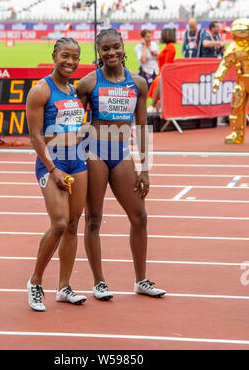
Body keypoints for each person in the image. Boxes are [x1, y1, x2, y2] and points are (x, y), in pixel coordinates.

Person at [76, 28, 166, 301]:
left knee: (140, 217)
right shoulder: (88, 84)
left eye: (116, 47)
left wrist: (145, 169)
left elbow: (141, 127)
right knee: (93, 220)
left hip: (121, 152)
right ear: (98, 52)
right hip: (94, 153)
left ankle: (141, 280)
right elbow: (72, 123)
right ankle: (99, 282)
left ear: (123, 48)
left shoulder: (137, 83)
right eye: (105, 49)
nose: (111, 52)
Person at [25, 37, 88, 311]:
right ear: (54, 56)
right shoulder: (41, 90)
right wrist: (53, 168)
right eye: (65, 56)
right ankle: (35, 282)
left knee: (74, 224)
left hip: (77, 161)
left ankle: (64, 288)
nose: (70, 62)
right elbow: (36, 137)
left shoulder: (72, 91)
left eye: (75, 57)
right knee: (60, 223)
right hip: (52, 163)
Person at [212, 18, 249, 144]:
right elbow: (225, 64)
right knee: (236, 108)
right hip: (242, 82)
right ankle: (237, 133)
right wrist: (217, 79)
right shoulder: (234, 47)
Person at [149, 28, 176, 111]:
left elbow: (167, 64)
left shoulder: (170, 47)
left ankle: (153, 108)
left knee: (158, 93)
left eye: (162, 35)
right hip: (161, 74)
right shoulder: (168, 46)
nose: (160, 37)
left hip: (163, 75)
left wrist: (162, 76)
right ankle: (154, 109)